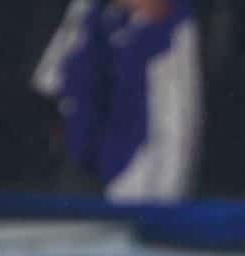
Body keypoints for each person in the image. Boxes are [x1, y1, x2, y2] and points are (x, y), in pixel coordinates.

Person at [34, 0, 202, 201]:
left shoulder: (171, 36)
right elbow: (55, 83)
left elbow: (157, 9)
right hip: (82, 147)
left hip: (143, 162)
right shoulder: (89, 16)